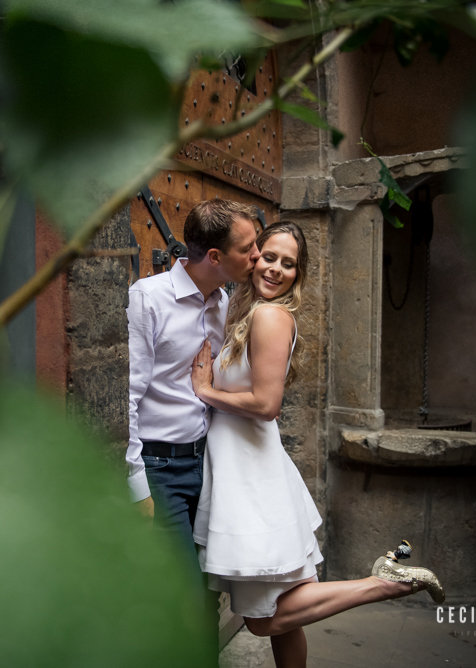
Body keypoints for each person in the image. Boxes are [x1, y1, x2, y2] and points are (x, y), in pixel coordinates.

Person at [190, 222, 444, 668]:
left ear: (297, 274)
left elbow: (267, 404)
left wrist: (205, 391)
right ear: (253, 257)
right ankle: (383, 581)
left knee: (263, 620)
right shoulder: (248, 310)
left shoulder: (269, 316)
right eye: (269, 257)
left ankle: (383, 583)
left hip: (251, 481)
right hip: (254, 469)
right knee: (288, 616)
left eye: (288, 264)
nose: (275, 269)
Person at [126, 199, 260, 572]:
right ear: (215, 256)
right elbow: (129, 396)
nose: (257, 255)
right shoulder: (148, 298)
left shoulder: (224, 303)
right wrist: (138, 489)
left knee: (207, 593)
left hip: (207, 466)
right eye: (247, 247)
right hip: (159, 469)